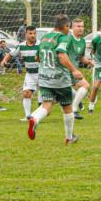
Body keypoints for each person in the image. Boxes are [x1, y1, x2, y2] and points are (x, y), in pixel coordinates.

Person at [27, 15, 84, 145]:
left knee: (46, 105)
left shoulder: (45, 38)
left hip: (44, 78)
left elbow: (38, 58)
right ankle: (69, 138)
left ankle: (34, 119)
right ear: (65, 26)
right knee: (67, 108)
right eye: (68, 27)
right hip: (59, 79)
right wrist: (74, 70)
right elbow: (61, 54)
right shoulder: (64, 37)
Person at [2, 25, 39, 121]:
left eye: (34, 33)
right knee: (26, 93)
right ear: (25, 34)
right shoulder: (21, 45)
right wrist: (4, 61)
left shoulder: (41, 45)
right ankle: (28, 116)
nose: (33, 35)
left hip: (42, 74)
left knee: (47, 95)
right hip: (30, 74)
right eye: (30, 33)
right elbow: (10, 54)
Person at [67, 18, 93, 119]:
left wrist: (89, 61)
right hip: (65, 71)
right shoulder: (68, 39)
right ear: (72, 27)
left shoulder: (82, 41)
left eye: (82, 26)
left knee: (85, 85)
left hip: (74, 72)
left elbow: (81, 57)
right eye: (78, 26)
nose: (80, 28)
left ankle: (74, 108)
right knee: (55, 99)